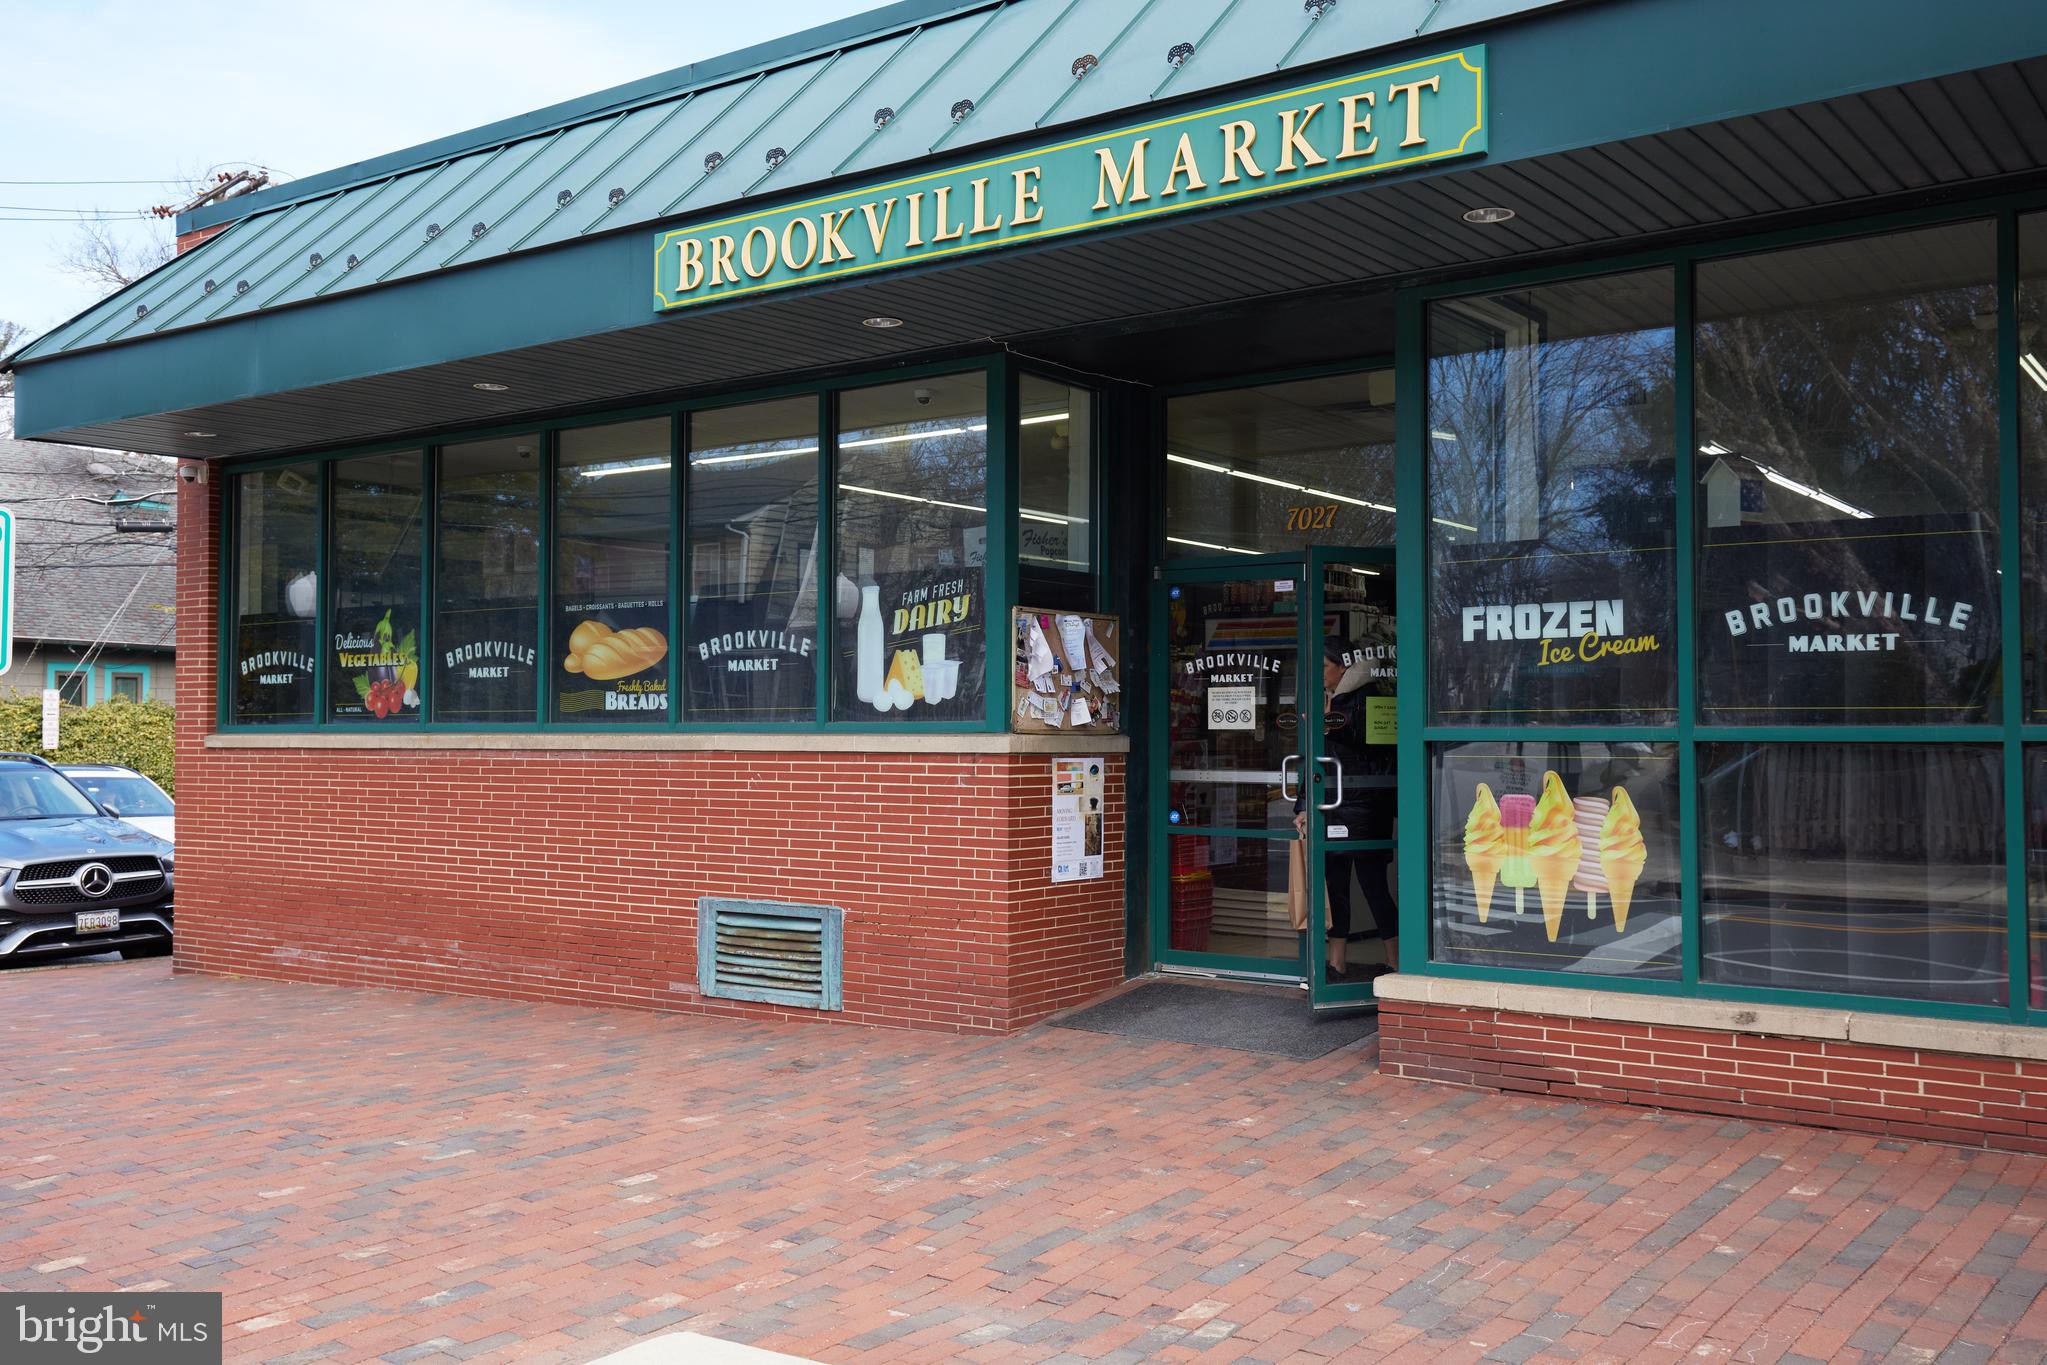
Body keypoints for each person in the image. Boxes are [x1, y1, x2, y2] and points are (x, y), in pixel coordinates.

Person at [1293, 637, 1398, 981]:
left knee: (1373, 887)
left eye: (1324, 666)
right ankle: (1337, 962)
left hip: (1365, 808)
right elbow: (1316, 760)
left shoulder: (1369, 698)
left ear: (1343, 667)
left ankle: (1395, 961)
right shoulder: (1328, 699)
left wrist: (1327, 723)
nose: (1319, 673)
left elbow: (1369, 742)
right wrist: (1303, 804)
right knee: (1335, 887)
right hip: (1332, 805)